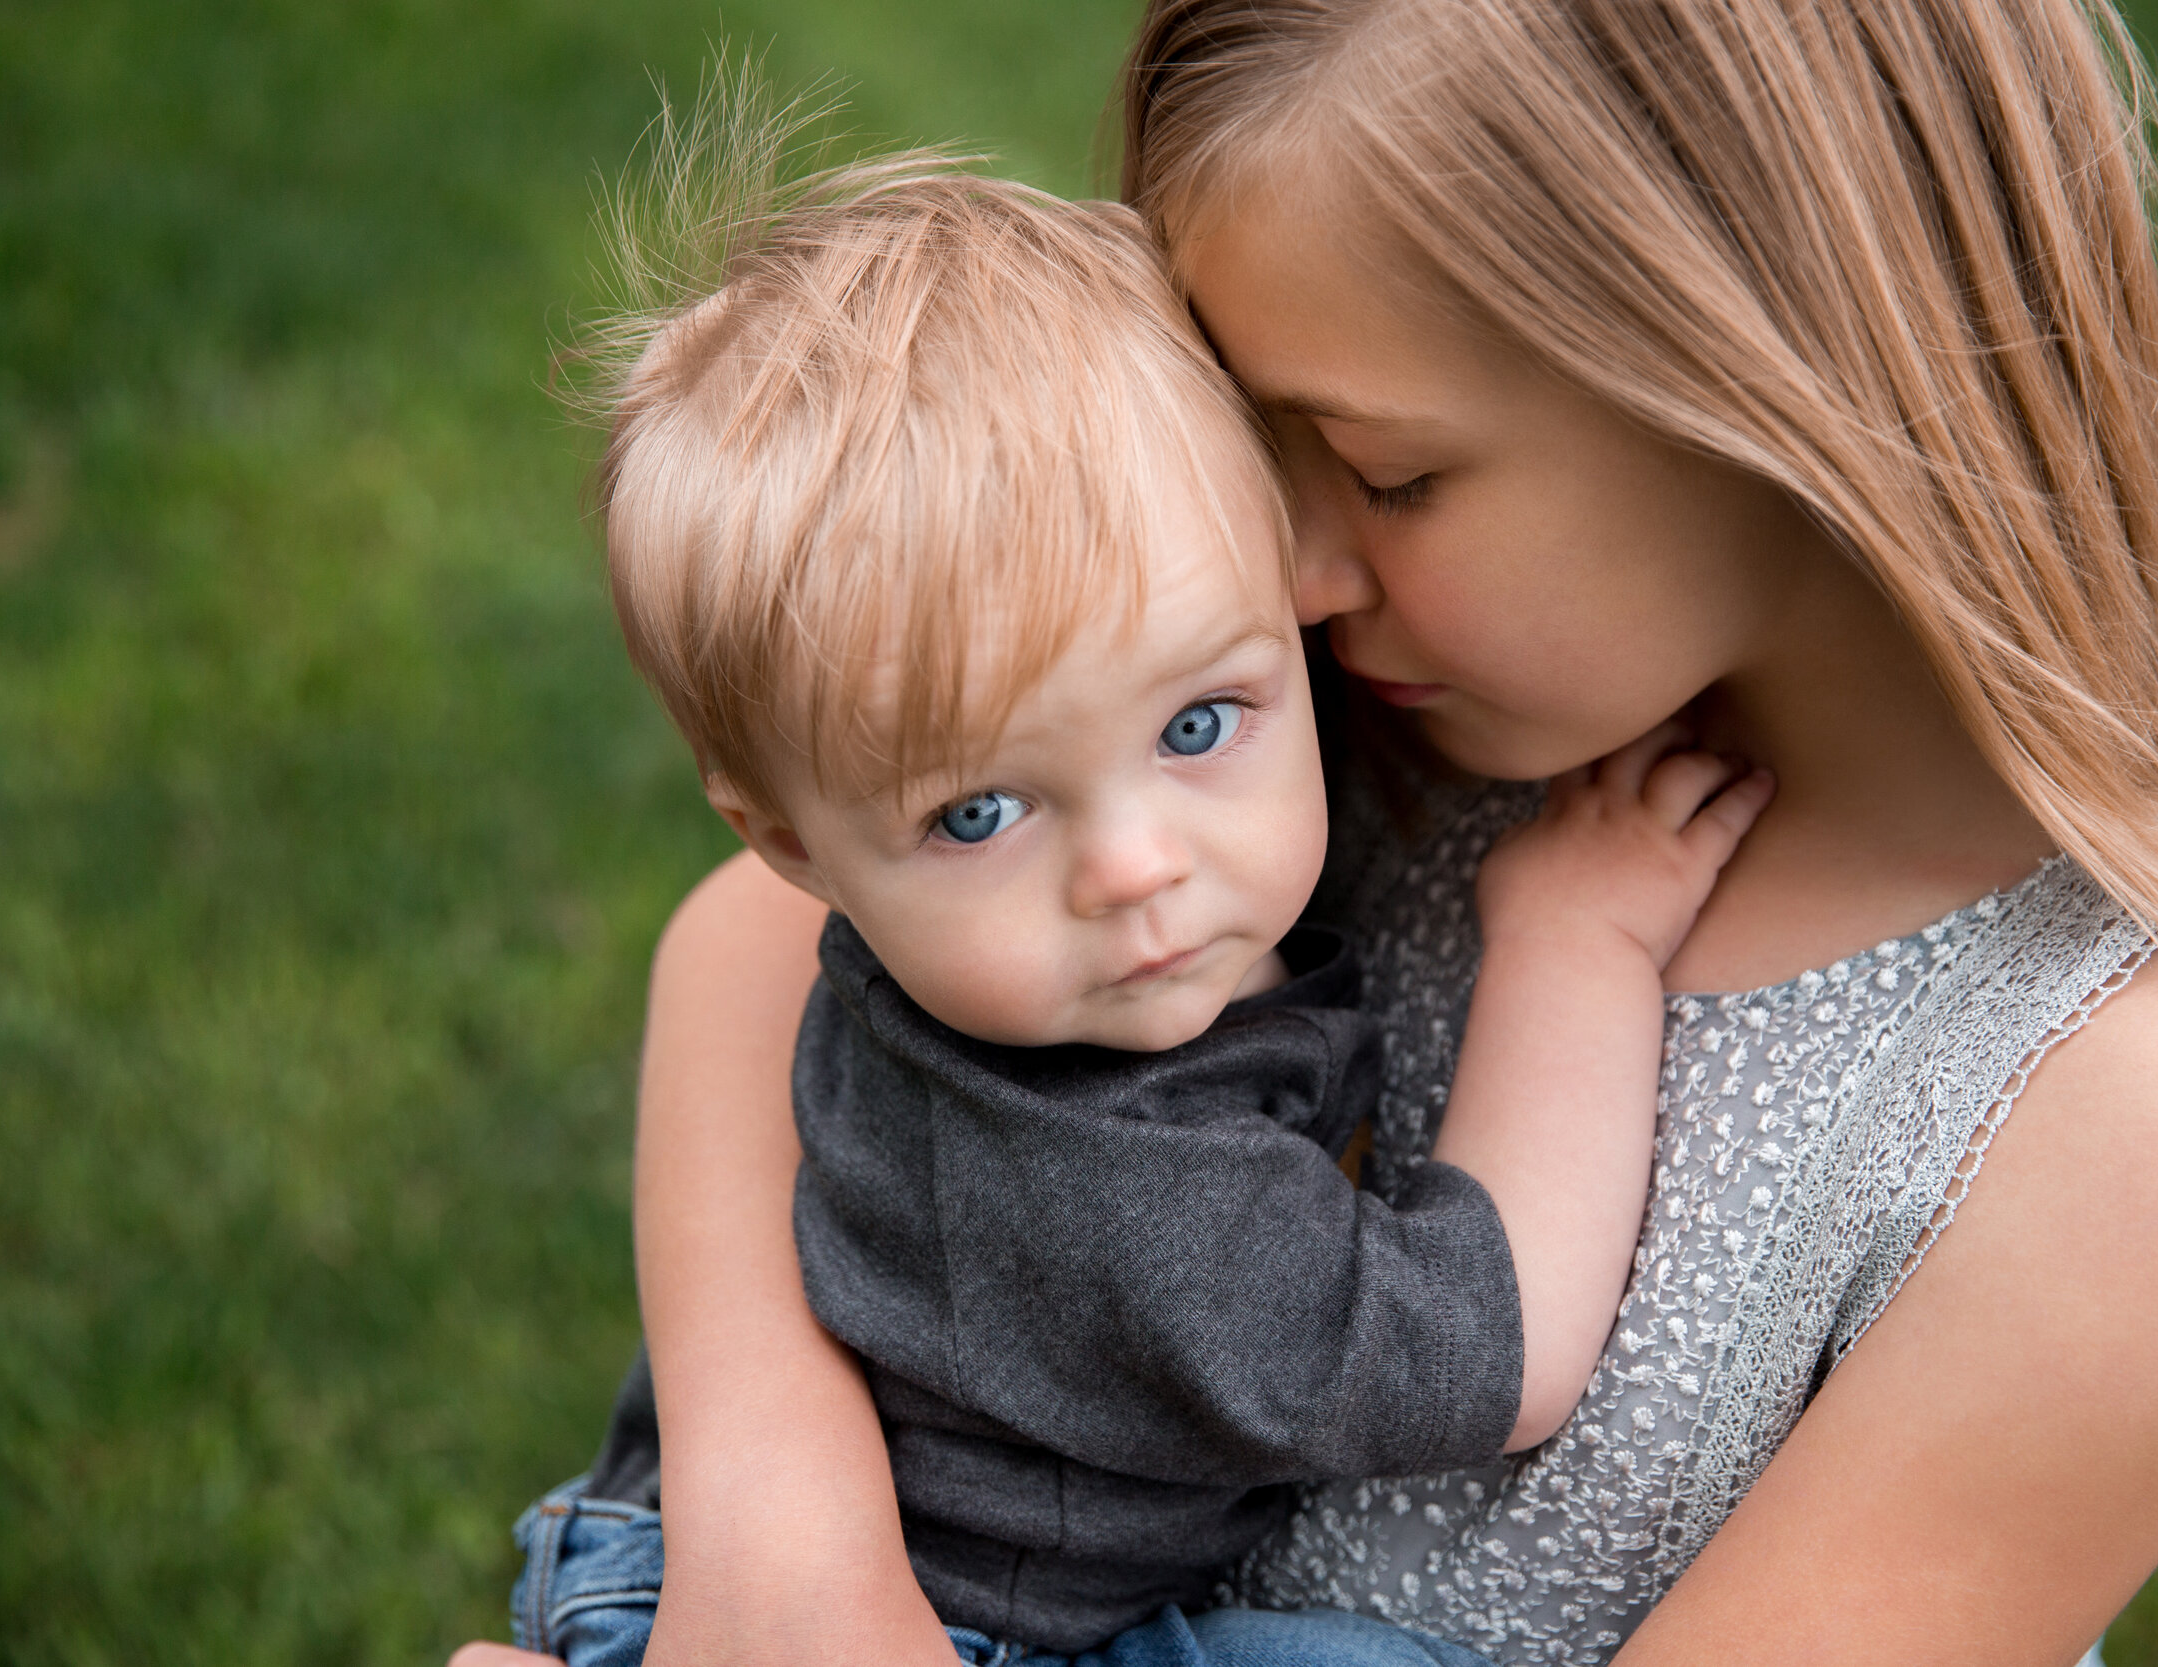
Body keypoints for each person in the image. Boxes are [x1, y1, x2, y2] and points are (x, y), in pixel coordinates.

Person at [457, 1, 2158, 1663]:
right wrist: (778, 1524)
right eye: (1250, 430)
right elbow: (764, 937)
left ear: (1773, 390)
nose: (1281, 560)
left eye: (1384, 469)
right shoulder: (1351, 704)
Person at [488, 99, 1774, 1667]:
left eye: (1197, 724)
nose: (1135, 866)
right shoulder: (1121, 1181)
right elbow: (1492, 1347)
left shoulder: (1023, 936)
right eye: (979, 815)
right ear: (791, 850)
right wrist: (1580, 940)